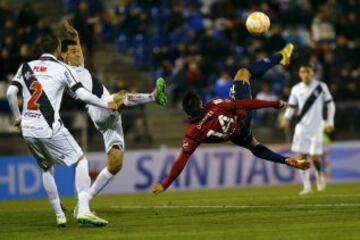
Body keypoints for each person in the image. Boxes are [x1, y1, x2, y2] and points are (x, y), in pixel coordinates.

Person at [152, 44, 311, 194]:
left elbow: (181, 160)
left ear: (188, 114)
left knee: (253, 146)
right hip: (242, 118)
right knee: (243, 72)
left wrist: (165, 184)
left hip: (236, 136)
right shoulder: (215, 105)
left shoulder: (192, 133)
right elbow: (247, 103)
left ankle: (286, 160)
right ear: (200, 103)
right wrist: (274, 103)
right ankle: (281, 57)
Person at [6, 34, 118, 227]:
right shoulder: (62, 67)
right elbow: (82, 93)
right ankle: (83, 209)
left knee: (46, 168)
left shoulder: (25, 67)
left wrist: (17, 118)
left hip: (29, 130)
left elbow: (10, 93)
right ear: (57, 50)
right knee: (81, 160)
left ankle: (60, 216)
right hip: (49, 127)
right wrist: (104, 103)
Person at [61, 21, 167, 216]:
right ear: (64, 56)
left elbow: (79, 54)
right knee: (123, 96)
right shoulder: (65, 72)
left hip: (110, 117)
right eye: (74, 51)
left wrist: (75, 36)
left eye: (78, 51)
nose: (78, 53)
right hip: (98, 108)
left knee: (116, 164)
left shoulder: (80, 66)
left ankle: (84, 202)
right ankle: (154, 97)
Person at [280, 64, 335, 195]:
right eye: (302, 72)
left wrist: (330, 121)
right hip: (301, 128)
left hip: (316, 127)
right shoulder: (296, 89)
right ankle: (307, 186)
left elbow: (331, 104)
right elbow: (292, 106)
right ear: (299, 74)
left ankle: (320, 176)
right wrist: (286, 118)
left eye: (307, 71)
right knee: (302, 157)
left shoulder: (321, 87)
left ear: (312, 73)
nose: (305, 74)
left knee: (315, 157)